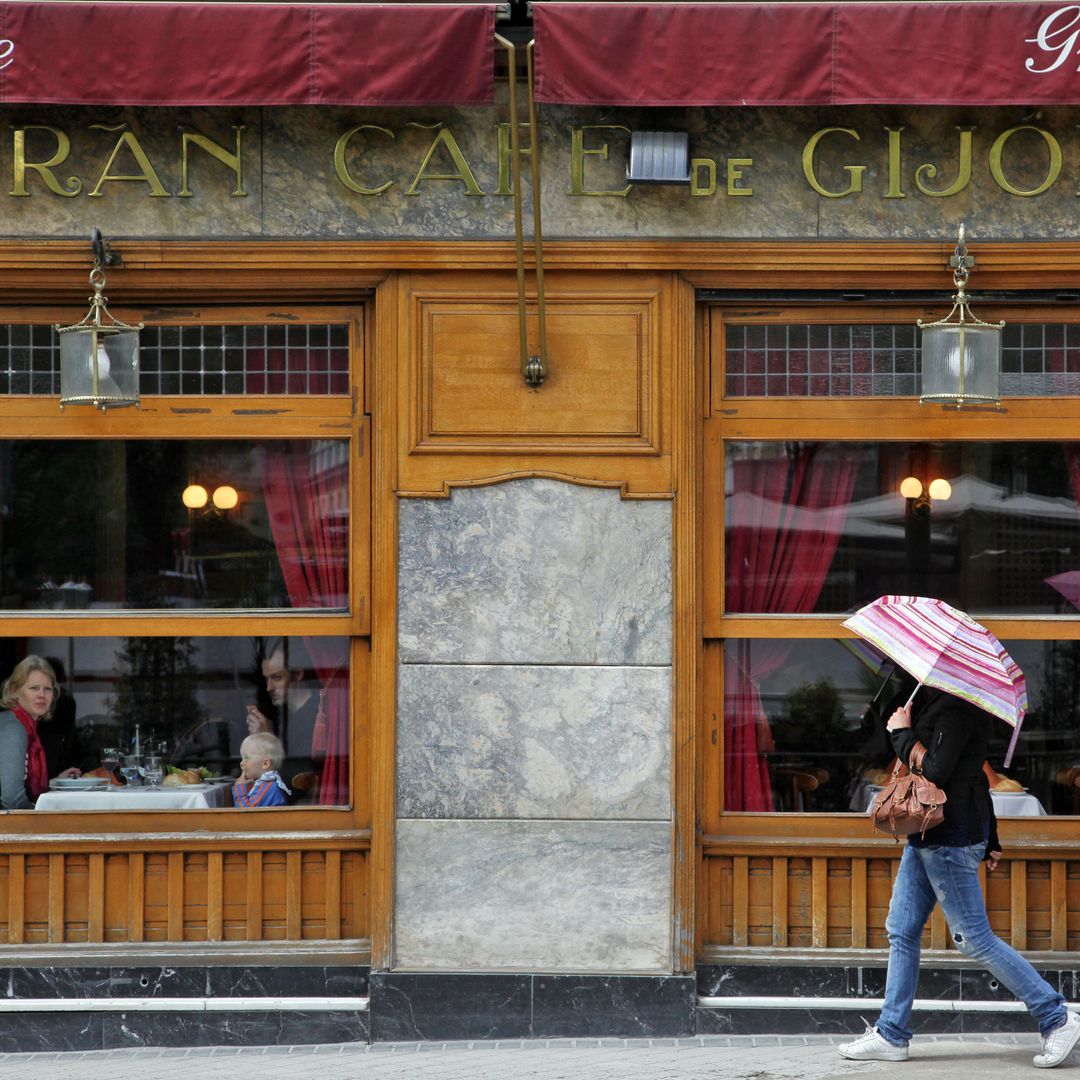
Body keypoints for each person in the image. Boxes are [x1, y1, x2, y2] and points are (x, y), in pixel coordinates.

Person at [838, 688, 1080, 1069]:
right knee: (901, 929)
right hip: (927, 835)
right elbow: (975, 778)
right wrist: (992, 838)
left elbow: (938, 770)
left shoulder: (957, 706)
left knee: (974, 938)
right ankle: (891, 1034)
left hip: (948, 840)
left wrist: (901, 732)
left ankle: (1057, 1017)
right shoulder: (938, 701)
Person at [0, 656, 81, 810]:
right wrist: (42, 819)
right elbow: (12, 800)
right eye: (34, 688)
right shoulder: (14, 728)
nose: (41, 695)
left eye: (47, 689)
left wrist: (53, 783)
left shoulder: (27, 727)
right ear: (14, 691)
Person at [244, 642, 322, 792]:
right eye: (266, 679)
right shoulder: (283, 714)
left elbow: (296, 779)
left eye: (277, 678)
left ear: (298, 675)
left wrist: (267, 738)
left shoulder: (318, 714)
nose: (269, 687)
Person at [232, 732, 291, 808]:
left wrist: (239, 789)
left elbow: (246, 815)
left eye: (246, 758)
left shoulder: (268, 786)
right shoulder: (268, 783)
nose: (241, 763)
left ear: (265, 764)